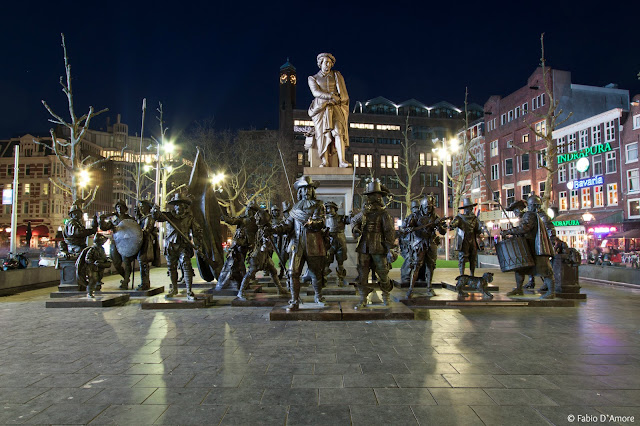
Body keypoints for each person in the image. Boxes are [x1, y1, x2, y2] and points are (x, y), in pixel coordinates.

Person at [273, 176, 327, 310]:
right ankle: (294, 300)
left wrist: (312, 223)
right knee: (292, 272)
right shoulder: (295, 208)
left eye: (309, 188)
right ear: (300, 191)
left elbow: (321, 222)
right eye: (303, 188)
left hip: (313, 242)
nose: (306, 191)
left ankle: (318, 296)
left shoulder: (318, 205)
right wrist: (275, 229)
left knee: (315, 272)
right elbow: (287, 225)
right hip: (297, 243)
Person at [352, 179, 396, 309]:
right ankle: (362, 299)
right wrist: (355, 229)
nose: (371, 198)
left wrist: (389, 247)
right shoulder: (364, 213)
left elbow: (389, 231)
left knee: (382, 271)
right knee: (362, 272)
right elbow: (354, 222)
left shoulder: (384, 214)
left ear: (379, 197)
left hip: (378, 245)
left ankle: (386, 295)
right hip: (365, 245)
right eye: (369, 195)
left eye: (374, 195)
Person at [502, 193, 556, 299]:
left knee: (545, 270)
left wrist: (509, 231)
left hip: (535, 247)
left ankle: (551, 291)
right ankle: (519, 289)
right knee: (520, 268)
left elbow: (525, 228)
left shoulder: (530, 215)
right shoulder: (540, 215)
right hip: (531, 246)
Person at [153, 194, 203, 301]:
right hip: (170, 246)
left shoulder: (189, 219)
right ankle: (174, 289)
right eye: (176, 205)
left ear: (184, 207)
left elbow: (197, 233)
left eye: (180, 205)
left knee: (187, 266)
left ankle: (189, 291)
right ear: (174, 207)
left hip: (183, 246)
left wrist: (199, 245)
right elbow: (157, 217)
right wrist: (154, 211)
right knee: (171, 268)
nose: (178, 207)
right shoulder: (168, 216)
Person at [307, 53, 351, 168]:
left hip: (335, 107)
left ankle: (342, 161)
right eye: (325, 62)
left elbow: (343, 93)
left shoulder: (336, 75)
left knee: (338, 131)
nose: (328, 65)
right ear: (320, 63)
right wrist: (331, 96)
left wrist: (338, 99)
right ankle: (325, 161)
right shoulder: (313, 78)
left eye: (330, 63)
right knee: (322, 134)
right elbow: (315, 93)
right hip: (321, 109)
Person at [237, 209, 289, 300]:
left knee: (273, 270)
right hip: (257, 255)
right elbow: (260, 244)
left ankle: (280, 288)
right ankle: (241, 292)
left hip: (265, 256)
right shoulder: (258, 229)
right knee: (250, 273)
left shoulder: (265, 229)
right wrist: (266, 242)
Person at [405, 194, 447, 298]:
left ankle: (429, 287)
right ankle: (411, 289)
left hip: (431, 242)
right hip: (419, 243)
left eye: (430, 207)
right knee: (416, 266)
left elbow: (443, 232)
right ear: (422, 206)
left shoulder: (435, 217)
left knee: (431, 266)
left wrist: (439, 225)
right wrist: (409, 229)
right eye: (426, 207)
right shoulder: (416, 216)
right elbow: (406, 228)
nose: (428, 209)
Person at [216, 202, 259, 291]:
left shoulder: (252, 221)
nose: (247, 211)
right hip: (242, 244)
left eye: (249, 210)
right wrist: (224, 218)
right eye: (247, 209)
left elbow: (232, 221)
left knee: (242, 262)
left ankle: (243, 281)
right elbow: (232, 221)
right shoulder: (248, 220)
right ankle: (241, 281)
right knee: (239, 262)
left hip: (245, 244)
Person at [100, 200, 136, 290]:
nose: (119, 208)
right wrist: (101, 220)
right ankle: (125, 278)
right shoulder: (113, 220)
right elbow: (104, 227)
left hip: (126, 243)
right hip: (116, 242)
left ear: (125, 208)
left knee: (127, 262)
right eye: (117, 207)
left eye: (121, 207)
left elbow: (135, 230)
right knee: (116, 263)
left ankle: (126, 280)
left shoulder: (130, 219)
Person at [449, 198, 483, 276]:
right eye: (468, 207)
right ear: (465, 208)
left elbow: (477, 229)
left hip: (472, 240)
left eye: (471, 207)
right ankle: (462, 275)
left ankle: (472, 275)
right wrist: (452, 225)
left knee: (473, 258)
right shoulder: (460, 217)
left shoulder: (474, 218)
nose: (470, 209)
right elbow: (454, 224)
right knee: (462, 258)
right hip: (464, 241)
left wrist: (481, 230)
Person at [135, 200, 160, 291]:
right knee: (142, 263)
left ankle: (145, 283)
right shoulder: (142, 218)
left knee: (143, 262)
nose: (140, 208)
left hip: (146, 243)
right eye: (139, 206)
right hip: (141, 242)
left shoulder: (149, 218)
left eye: (142, 206)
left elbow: (147, 230)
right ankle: (144, 282)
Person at [324, 201, 350, 286]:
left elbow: (349, 220)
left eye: (330, 208)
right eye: (327, 208)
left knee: (340, 262)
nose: (329, 210)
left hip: (340, 242)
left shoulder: (341, 218)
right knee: (327, 261)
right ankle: (324, 278)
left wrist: (351, 216)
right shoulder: (326, 220)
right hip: (330, 243)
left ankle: (340, 278)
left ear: (335, 209)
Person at [77, 233, 111, 298]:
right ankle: (90, 292)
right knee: (93, 280)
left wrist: (107, 260)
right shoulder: (92, 249)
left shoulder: (102, 249)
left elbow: (104, 257)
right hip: (93, 268)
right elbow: (87, 258)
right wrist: (94, 262)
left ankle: (95, 289)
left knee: (98, 278)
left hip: (100, 267)